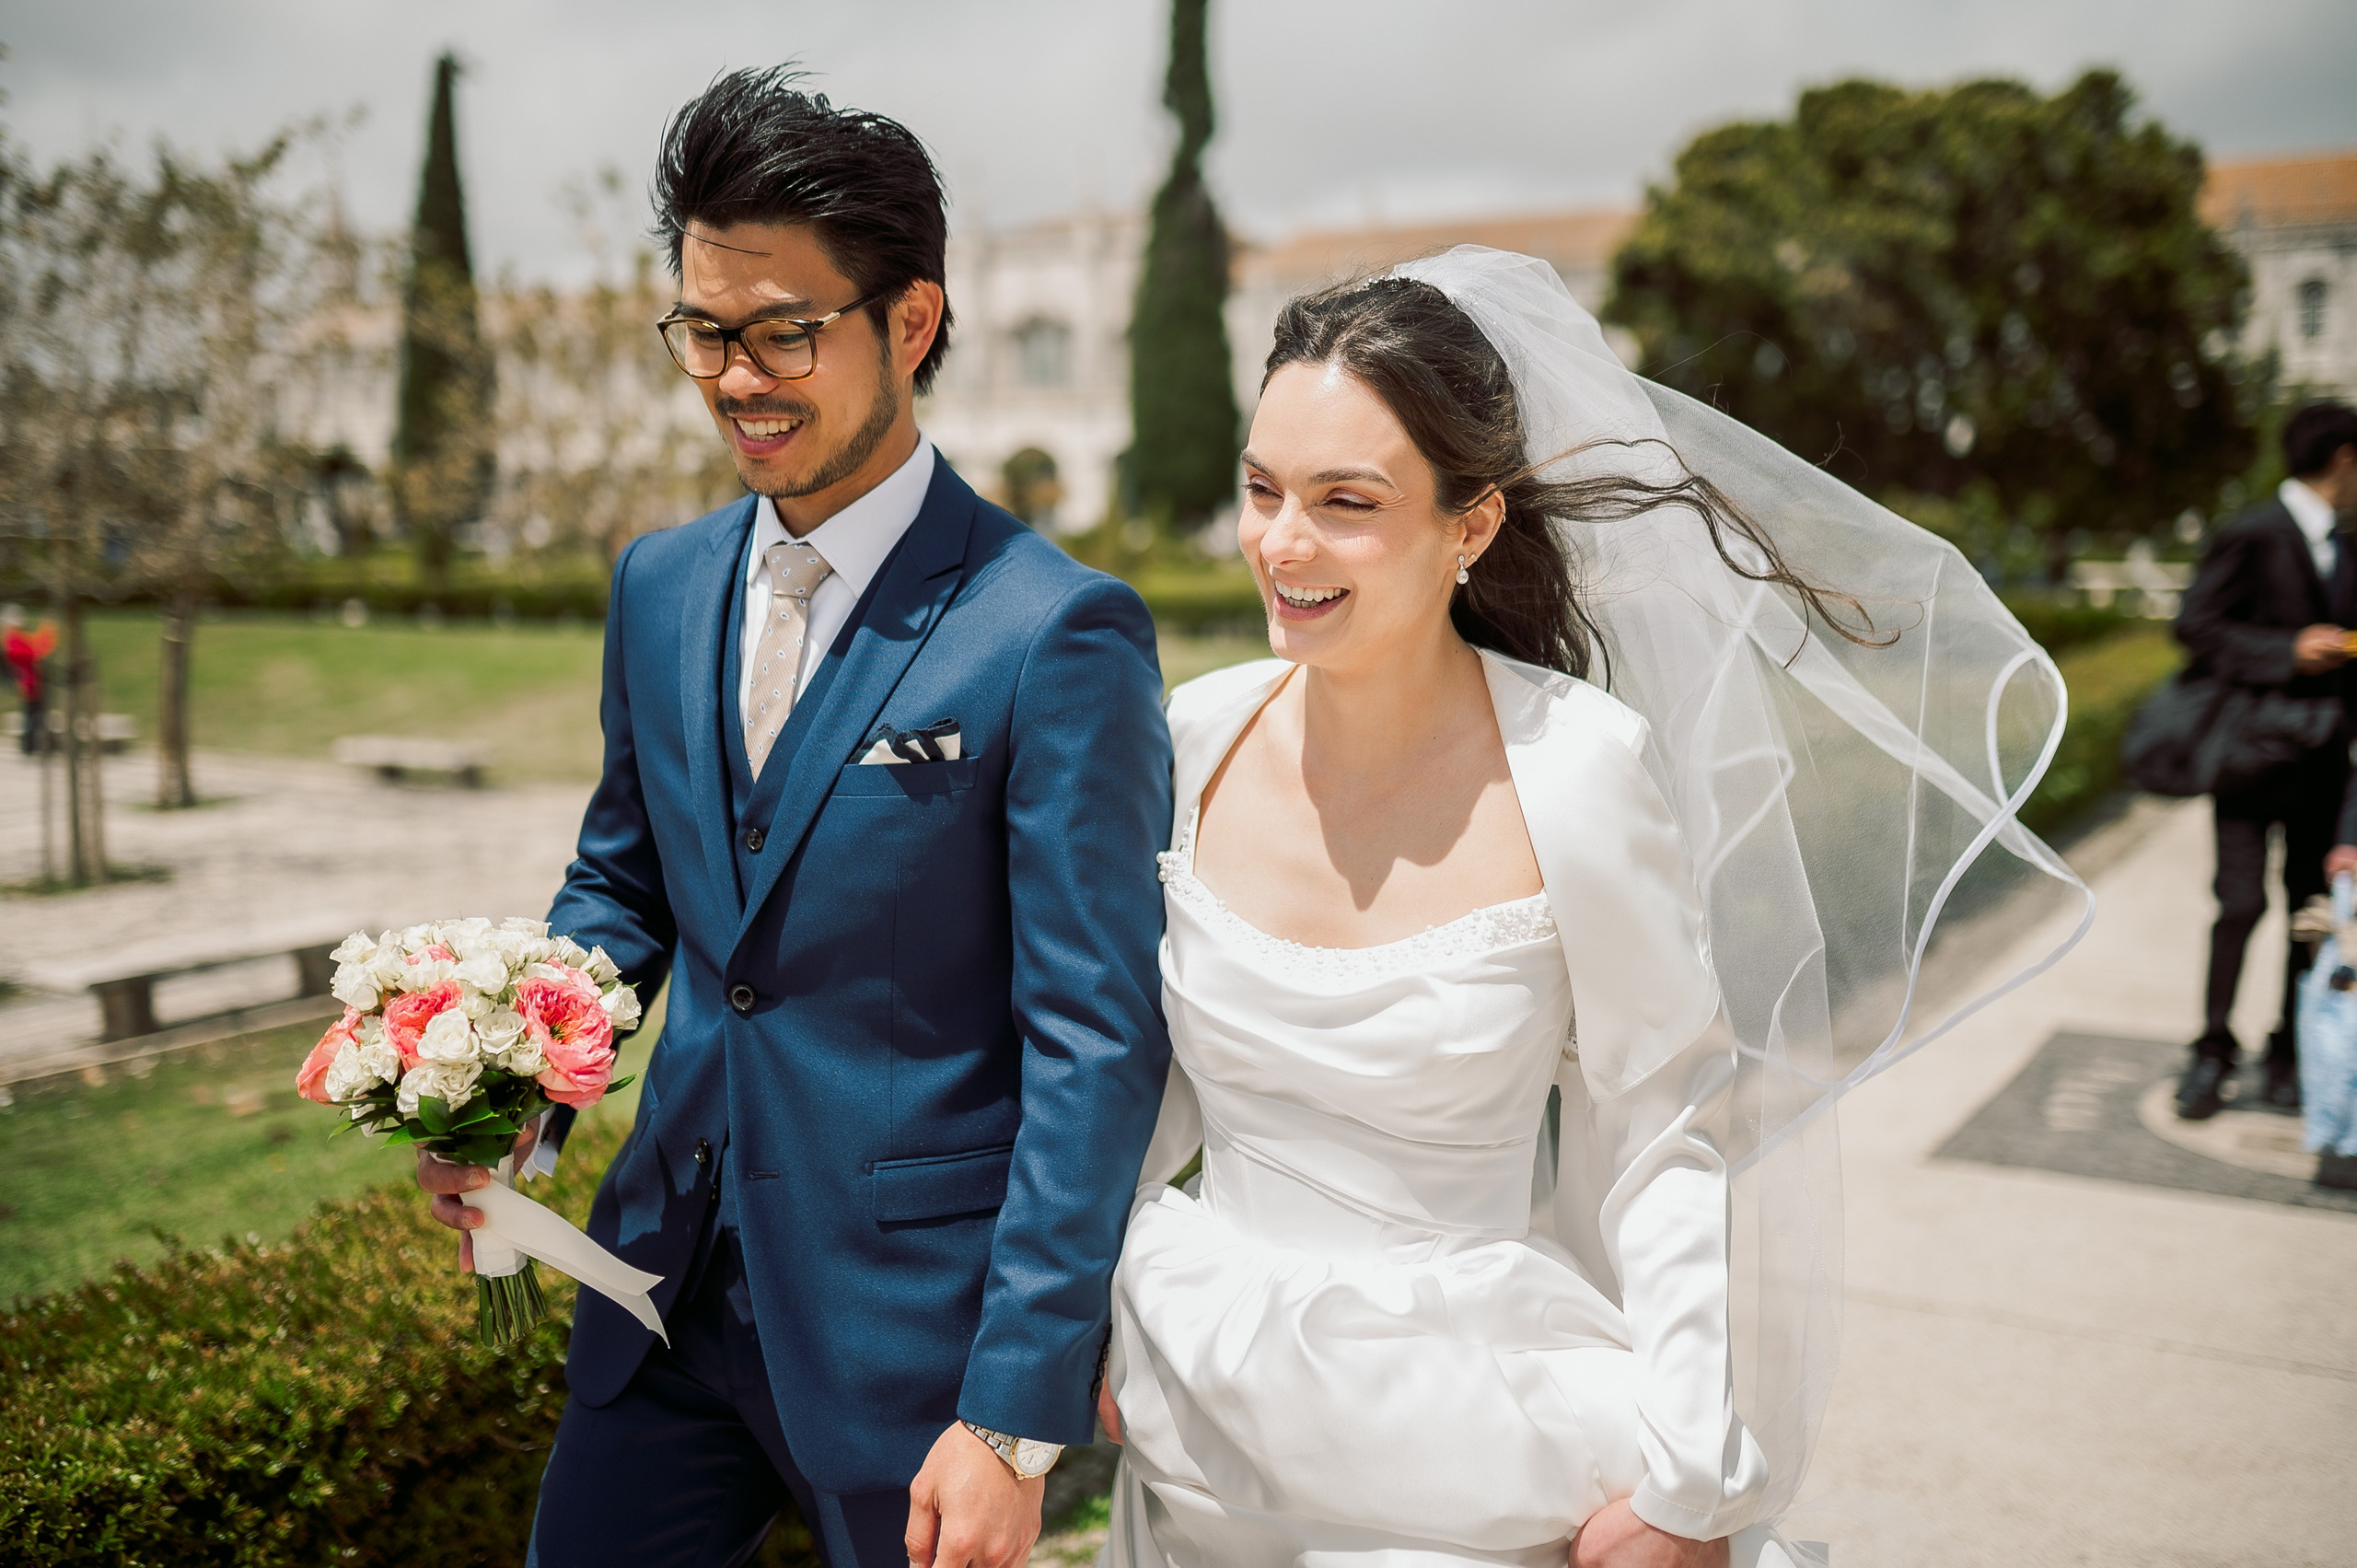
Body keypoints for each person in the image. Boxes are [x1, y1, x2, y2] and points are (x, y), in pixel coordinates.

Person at [1093, 250, 2085, 1567]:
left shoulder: (1579, 767)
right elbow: (1143, 1077)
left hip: (1464, 1438)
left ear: (1472, 525)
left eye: (1347, 500)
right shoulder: (1197, 734)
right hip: (1200, 1405)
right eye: (1262, 489)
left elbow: (1664, 1127)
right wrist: (1090, 1320)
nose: (1282, 541)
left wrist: (1687, 1475)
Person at [412, 70, 1173, 1568]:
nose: (737, 374)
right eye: (704, 330)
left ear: (911, 322)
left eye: (784, 330)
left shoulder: (1054, 632)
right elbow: (621, 888)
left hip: (918, 1351)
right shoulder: (659, 582)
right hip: (662, 1293)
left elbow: (1099, 1040)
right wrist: (520, 1088)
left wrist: (1014, 1409)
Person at [2173, 400, 2357, 1121]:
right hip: (2248, 757)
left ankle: (2289, 1052)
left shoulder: (2350, 545)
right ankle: (2212, 1049)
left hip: (2322, 762)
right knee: (2240, 904)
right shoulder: (2250, 532)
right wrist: (2284, 651)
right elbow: (2196, 626)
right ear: (2344, 458)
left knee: (2308, 913)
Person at [3, 605, 56, 755]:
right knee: (33, 716)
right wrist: (48, 630)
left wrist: (46, 629)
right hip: (29, 683)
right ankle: (29, 746)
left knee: (34, 715)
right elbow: (37, 651)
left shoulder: (16, 639)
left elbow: (35, 644)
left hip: (31, 682)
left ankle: (31, 745)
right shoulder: (13, 642)